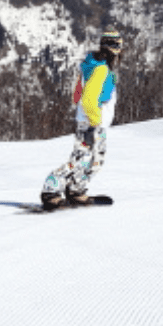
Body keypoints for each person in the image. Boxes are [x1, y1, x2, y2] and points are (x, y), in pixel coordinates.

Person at [40, 31, 122, 210]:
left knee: (96, 160)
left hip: (93, 121)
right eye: (117, 46)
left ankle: (76, 189)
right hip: (92, 123)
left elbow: (77, 93)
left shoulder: (91, 66)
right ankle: (50, 190)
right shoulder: (101, 69)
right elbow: (88, 99)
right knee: (80, 159)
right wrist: (93, 122)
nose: (119, 50)